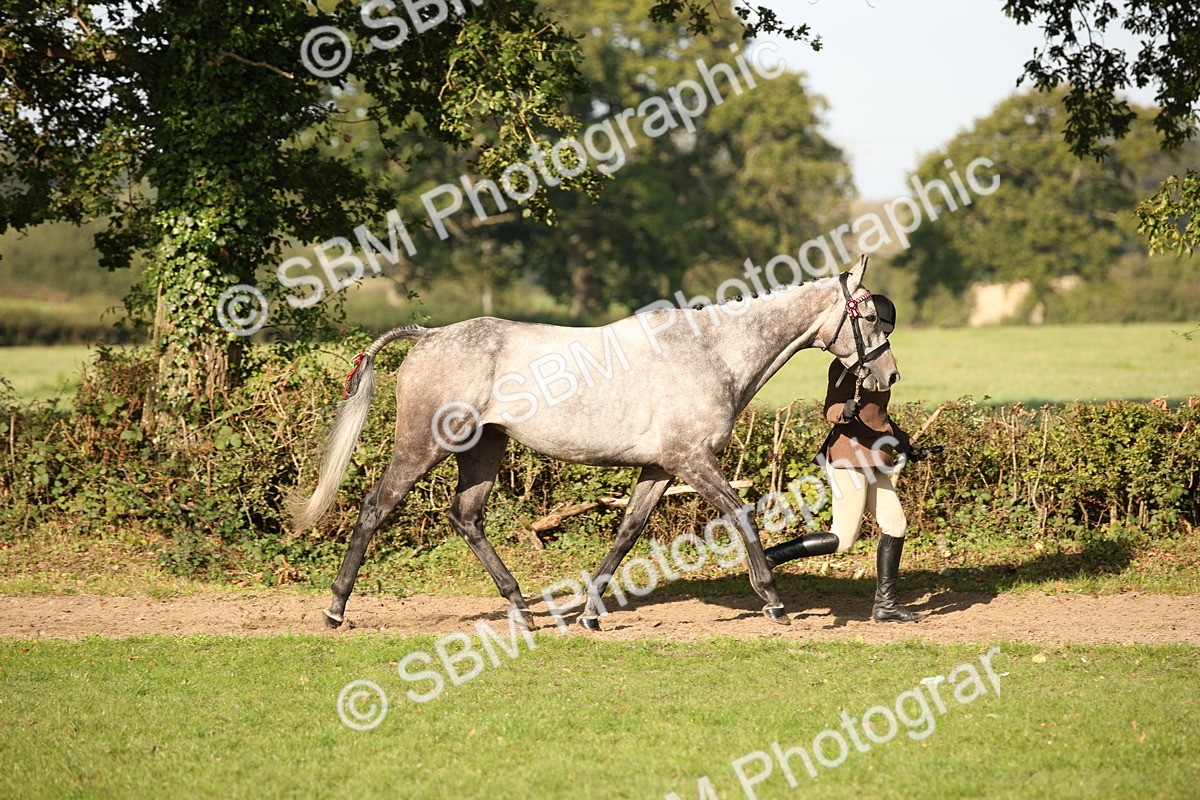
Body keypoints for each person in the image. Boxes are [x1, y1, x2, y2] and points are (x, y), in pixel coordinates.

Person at [762, 294, 939, 623]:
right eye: (880, 332)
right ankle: (769, 557)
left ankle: (885, 606)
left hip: (873, 458)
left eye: (885, 333)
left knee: (895, 525)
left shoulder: (881, 362)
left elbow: (880, 419)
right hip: (847, 458)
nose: (883, 339)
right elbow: (830, 409)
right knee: (843, 539)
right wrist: (846, 410)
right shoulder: (844, 365)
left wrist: (910, 444)